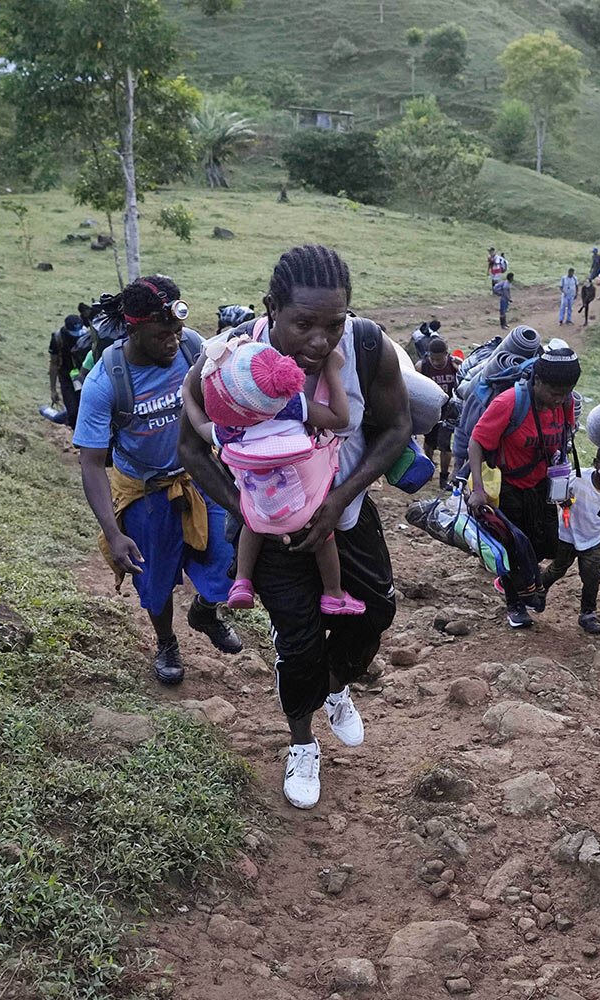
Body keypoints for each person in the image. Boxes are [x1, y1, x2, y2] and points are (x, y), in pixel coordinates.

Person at [179, 244, 412, 811]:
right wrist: (247, 509)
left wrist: (338, 500)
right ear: (272, 310)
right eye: (304, 323)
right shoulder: (227, 359)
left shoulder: (365, 346)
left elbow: (397, 426)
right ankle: (303, 743)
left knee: (376, 613)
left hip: (345, 518)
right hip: (272, 534)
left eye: (333, 323)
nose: (319, 341)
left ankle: (336, 688)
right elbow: (191, 445)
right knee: (300, 643)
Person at [75, 276, 243, 686]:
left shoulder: (192, 349)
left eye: (177, 331)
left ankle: (205, 609)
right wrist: (113, 534)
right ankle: (166, 641)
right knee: (154, 580)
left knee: (234, 555)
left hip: (200, 474)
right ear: (133, 329)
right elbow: (92, 464)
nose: (173, 341)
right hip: (145, 490)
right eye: (161, 334)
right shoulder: (104, 384)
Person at [190, 336, 363, 616]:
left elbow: (200, 427)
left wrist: (188, 396)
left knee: (252, 521)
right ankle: (334, 593)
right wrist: (331, 369)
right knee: (324, 537)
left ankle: (242, 581)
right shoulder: (289, 407)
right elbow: (341, 418)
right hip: (304, 507)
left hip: (260, 508)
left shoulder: (230, 429)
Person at [467, 347, 582, 628]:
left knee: (543, 544)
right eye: (554, 393)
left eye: (565, 393)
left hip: (542, 485)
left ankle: (523, 580)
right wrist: (479, 490)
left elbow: (564, 437)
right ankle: (515, 603)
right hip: (509, 487)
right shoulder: (509, 403)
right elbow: (476, 443)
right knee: (514, 548)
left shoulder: (564, 402)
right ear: (537, 382)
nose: (559, 400)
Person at [541, 468, 600, 635]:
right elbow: (555, 487)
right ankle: (538, 591)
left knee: (592, 578)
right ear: (596, 463)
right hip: (567, 533)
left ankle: (588, 613)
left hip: (593, 539)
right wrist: (562, 498)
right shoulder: (579, 476)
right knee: (558, 568)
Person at [416, 338, 463, 488]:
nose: (436, 362)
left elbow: (464, 383)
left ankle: (443, 478)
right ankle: (428, 471)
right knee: (429, 443)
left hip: (448, 411)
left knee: (445, 446)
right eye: (433, 359)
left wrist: (460, 368)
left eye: (439, 359)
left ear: (446, 354)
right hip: (429, 409)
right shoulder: (422, 366)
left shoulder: (454, 365)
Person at [49, 313, 89, 427]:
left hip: (85, 376)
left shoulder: (87, 335)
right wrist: (53, 390)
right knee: (72, 412)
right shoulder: (58, 338)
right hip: (66, 377)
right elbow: (53, 363)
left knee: (85, 409)